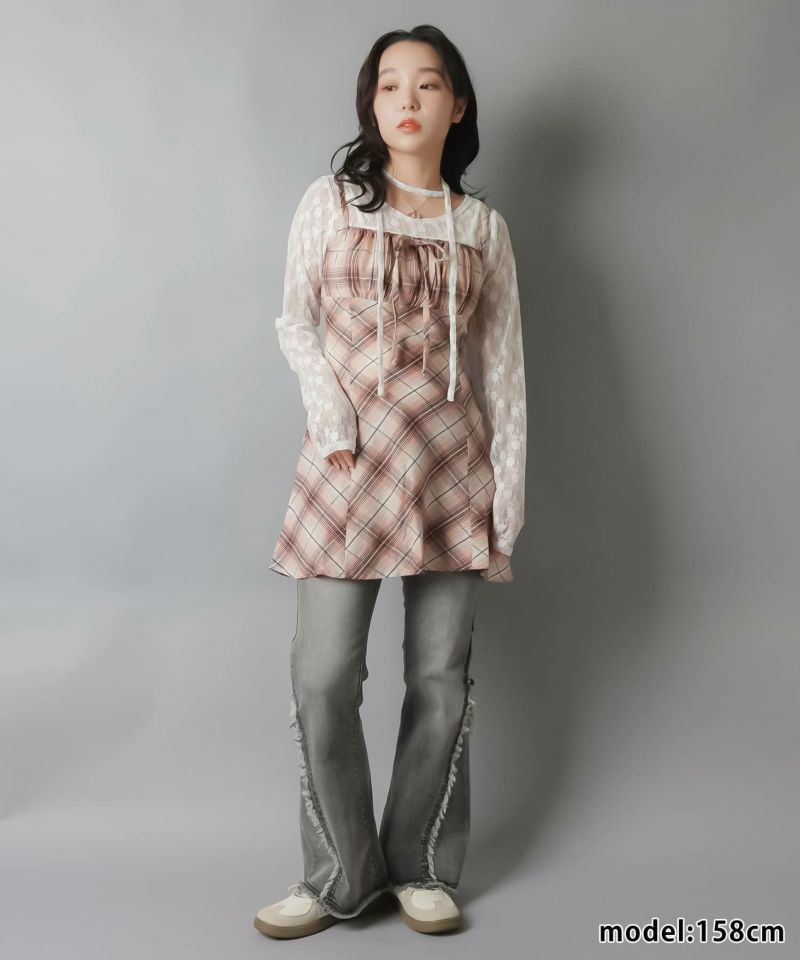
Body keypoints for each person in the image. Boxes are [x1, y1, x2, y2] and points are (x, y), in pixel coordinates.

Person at [254, 23, 526, 939]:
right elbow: (295, 322)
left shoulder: (482, 229)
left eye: (428, 83)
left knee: (439, 679)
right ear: (371, 105)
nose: (407, 99)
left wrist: (508, 494)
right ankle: (340, 873)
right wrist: (332, 415)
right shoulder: (330, 203)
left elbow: (502, 371)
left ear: (458, 105)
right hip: (346, 468)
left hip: (451, 469)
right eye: (388, 84)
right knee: (323, 677)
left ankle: (420, 867)